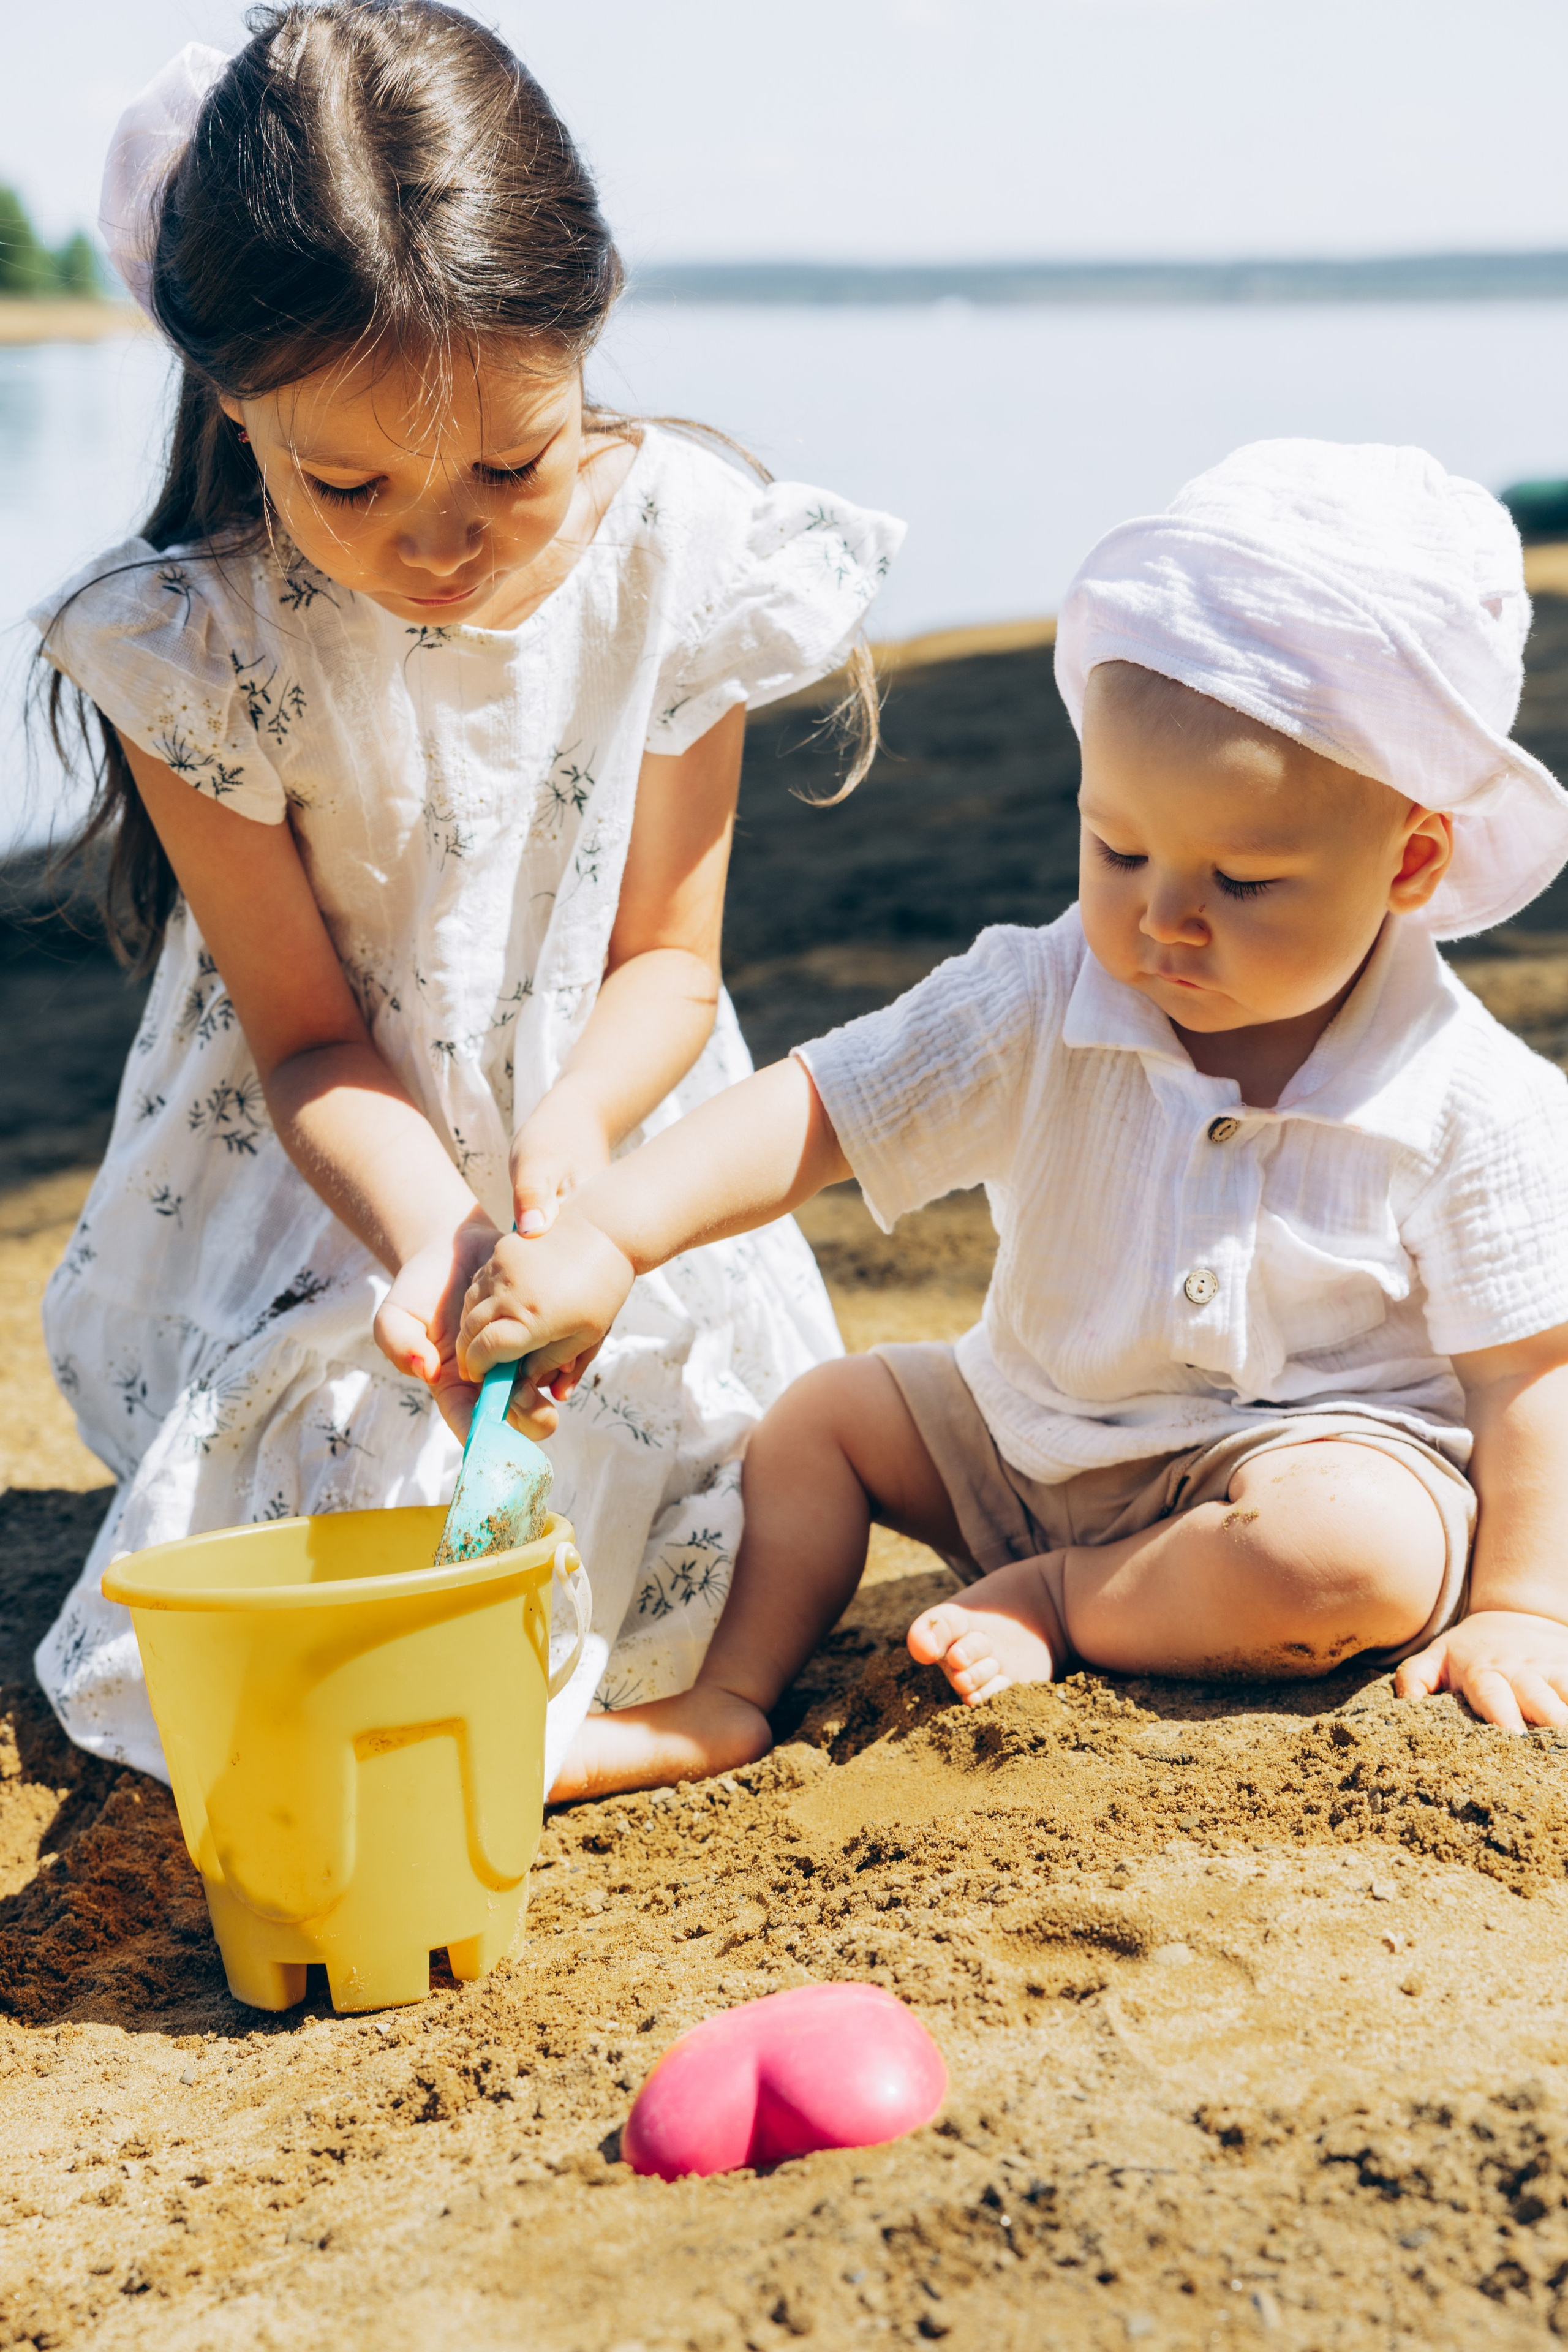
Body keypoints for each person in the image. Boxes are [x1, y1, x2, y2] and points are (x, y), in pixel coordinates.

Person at [29, 3, 902, 1798]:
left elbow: (667, 956)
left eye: (513, 463)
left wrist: (576, 1144)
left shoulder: (678, 550)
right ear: (230, 398)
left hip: (611, 1140)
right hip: (342, 1179)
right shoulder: (201, 643)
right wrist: (440, 1234)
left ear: (587, 336)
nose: (438, 541)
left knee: (722, 1515)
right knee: (368, 1498)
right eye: (345, 482)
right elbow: (304, 1033)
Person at [456, 439, 1568, 1800]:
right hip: (1028, 1434)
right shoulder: (1042, 990)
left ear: (1406, 861)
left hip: (1292, 1473)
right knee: (820, 1419)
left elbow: (1527, 1380)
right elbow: (821, 1109)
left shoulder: (1472, 1096)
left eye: (1242, 878)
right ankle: (729, 1698)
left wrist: (1522, 1604)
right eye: (1116, 850)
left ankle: (1064, 1602)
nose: (1163, 917)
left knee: (1352, 1561)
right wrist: (613, 1239)